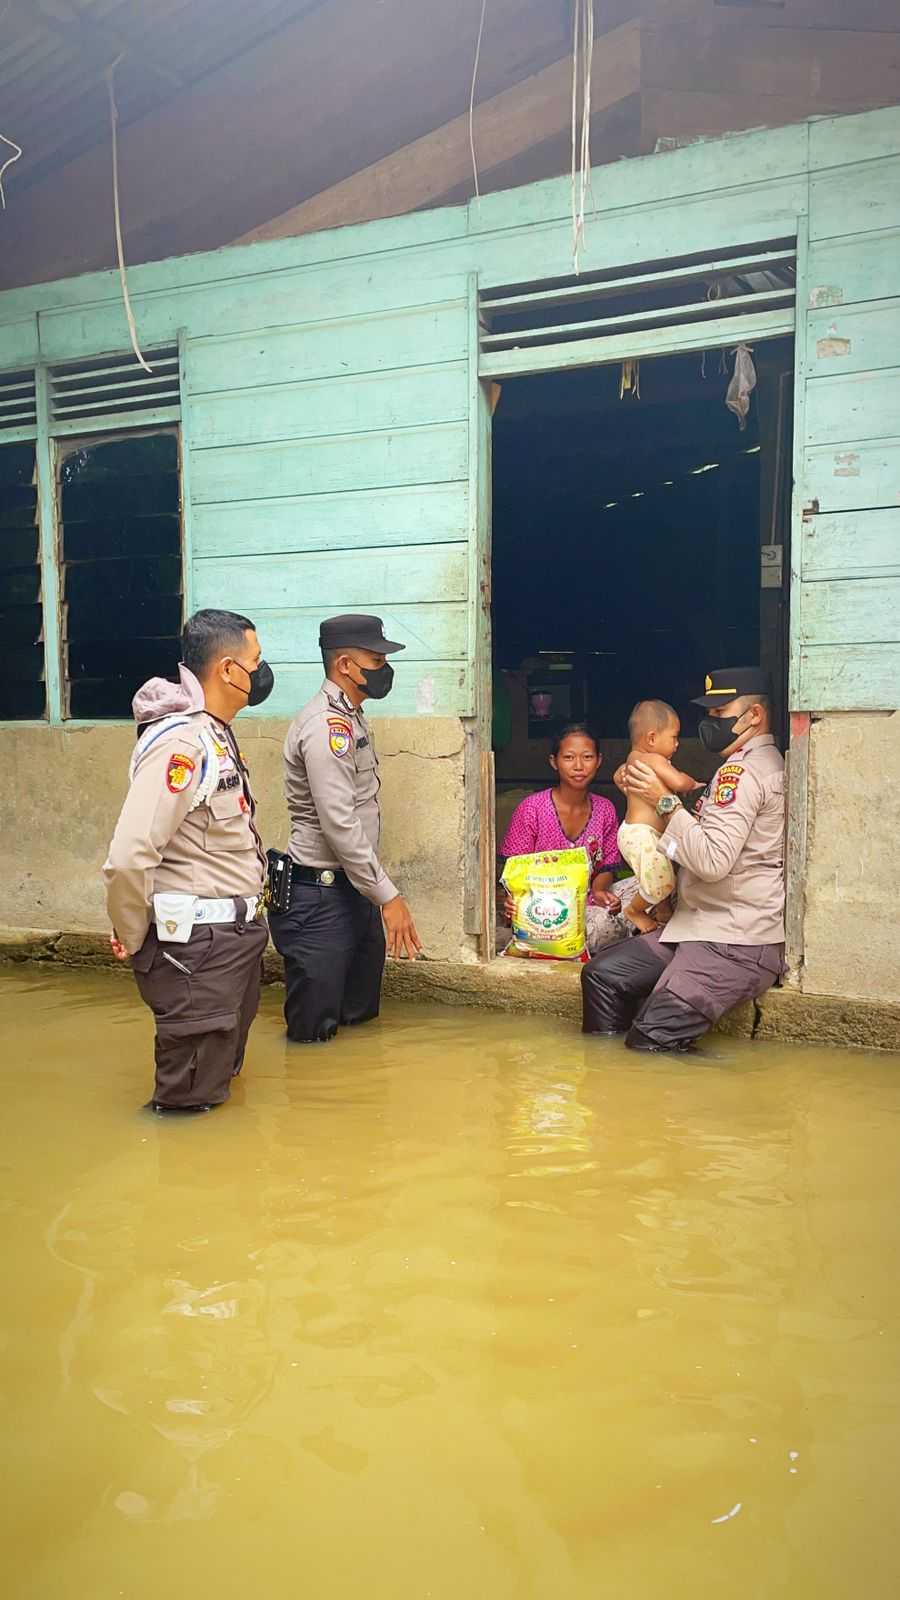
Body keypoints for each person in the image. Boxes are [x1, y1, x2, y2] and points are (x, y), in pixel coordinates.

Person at [104, 610, 271, 1112]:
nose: (261, 674)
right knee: (188, 1106)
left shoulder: (214, 734)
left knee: (218, 1082)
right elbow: (130, 855)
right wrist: (134, 937)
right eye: (254, 662)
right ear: (226, 670)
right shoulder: (183, 743)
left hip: (231, 943)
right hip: (195, 950)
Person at [582, 668, 785, 1052]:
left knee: (649, 1041)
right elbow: (702, 830)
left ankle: (725, 1093)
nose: (710, 723)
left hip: (732, 943)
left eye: (720, 712)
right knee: (602, 976)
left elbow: (710, 862)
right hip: (696, 928)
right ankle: (606, 1091)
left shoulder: (745, 772)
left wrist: (663, 801)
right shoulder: (742, 768)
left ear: (754, 716)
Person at [269, 614, 421, 1044]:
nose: (382, 668)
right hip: (318, 900)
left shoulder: (351, 716)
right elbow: (339, 823)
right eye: (375, 659)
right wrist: (388, 896)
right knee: (313, 1037)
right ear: (345, 666)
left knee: (360, 1022)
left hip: (352, 892)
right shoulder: (326, 726)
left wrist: (373, 894)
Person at [499, 723, 639, 954]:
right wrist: (514, 902)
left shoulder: (605, 809)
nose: (578, 766)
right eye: (568, 757)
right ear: (554, 761)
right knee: (604, 926)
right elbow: (514, 871)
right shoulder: (531, 809)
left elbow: (606, 866)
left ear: (599, 760)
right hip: (542, 908)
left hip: (588, 905)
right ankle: (582, 942)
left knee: (651, 887)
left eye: (587, 757)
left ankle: (586, 941)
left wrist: (601, 892)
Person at [616, 700, 701, 935]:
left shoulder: (634, 758)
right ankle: (634, 911)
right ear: (652, 738)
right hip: (642, 835)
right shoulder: (653, 759)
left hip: (638, 832)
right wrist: (693, 783)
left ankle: (662, 911)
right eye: (674, 737)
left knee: (664, 874)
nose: (677, 744)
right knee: (660, 883)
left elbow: (617, 775)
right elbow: (678, 782)